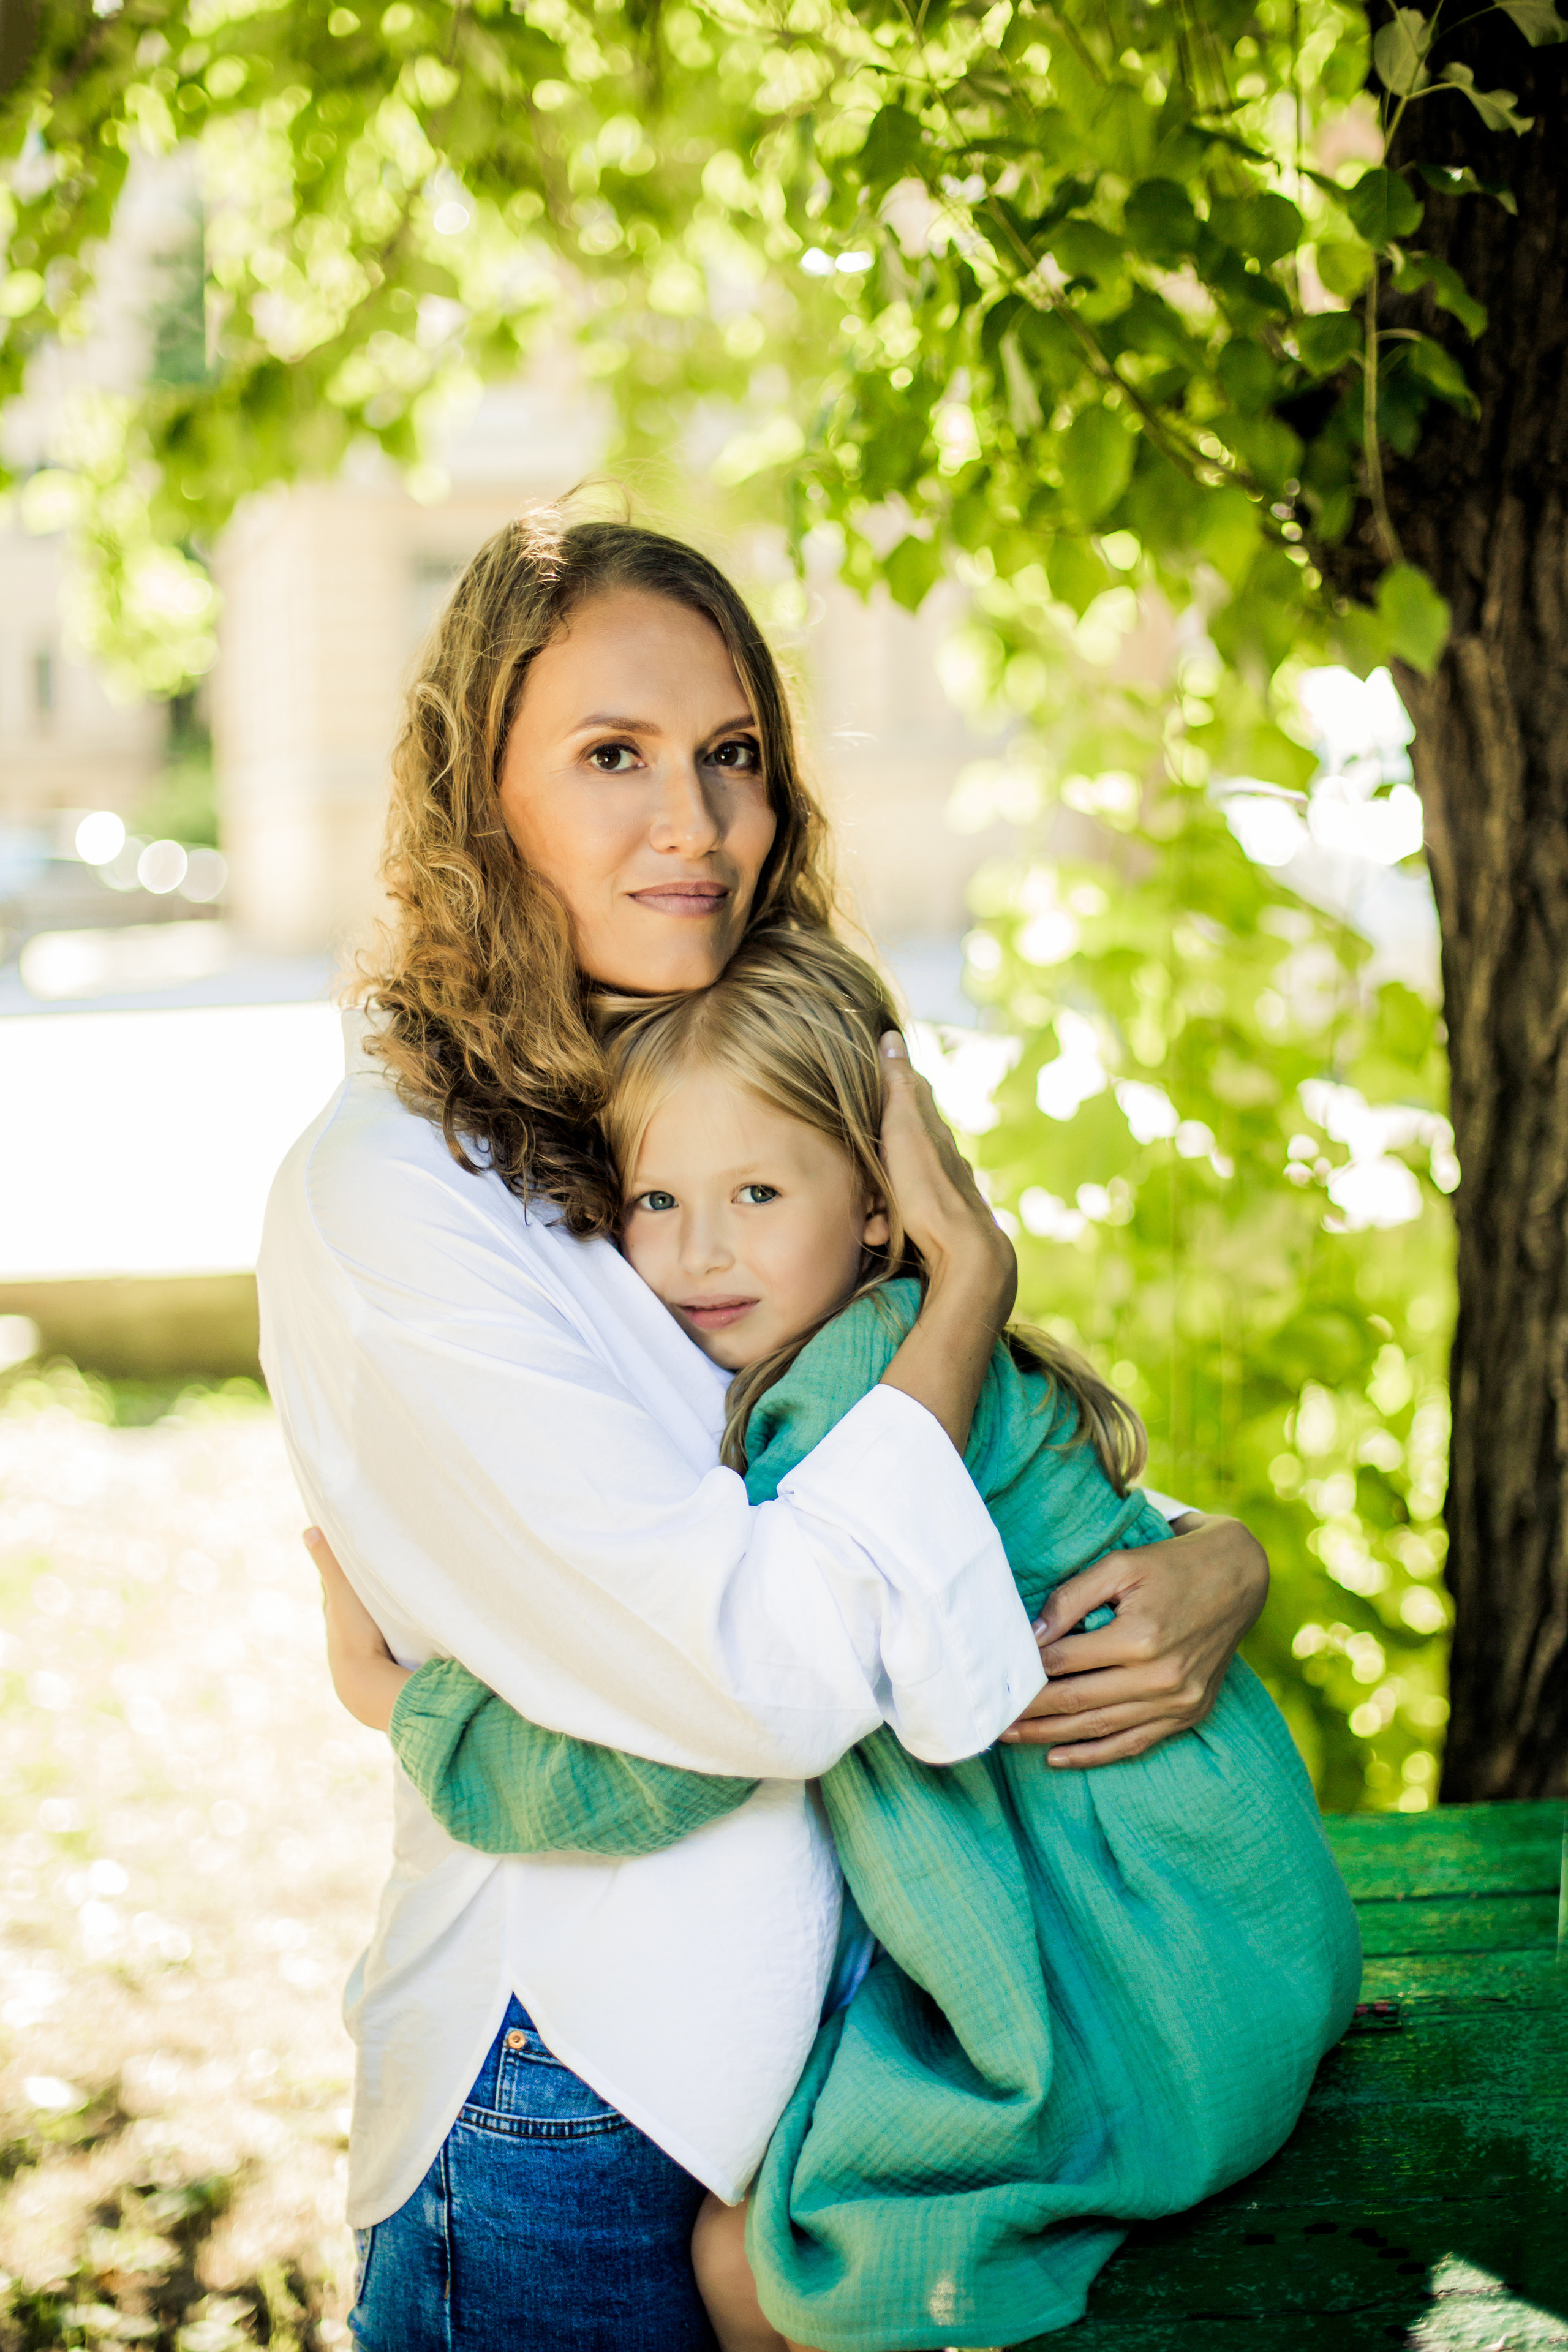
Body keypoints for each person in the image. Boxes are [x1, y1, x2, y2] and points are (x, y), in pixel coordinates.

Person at [261, 509, 1270, 2351]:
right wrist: (968, 1291)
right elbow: (772, 1669)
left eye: (731, 754)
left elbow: (892, 1458)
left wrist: (1197, 1554)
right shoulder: (392, 1196)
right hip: (579, 2088)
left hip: (829, 2080)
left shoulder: (707, 1078)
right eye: (613, 757)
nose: (698, 823)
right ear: (480, 801)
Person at [315, 923, 1361, 2352]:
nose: (697, 1252)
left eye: (756, 1190)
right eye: (654, 1199)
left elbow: (701, 1730)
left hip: (1112, 1947)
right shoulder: (900, 1339)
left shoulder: (838, 1404)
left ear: (877, 1209)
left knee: (767, 2274)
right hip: (1222, 1910)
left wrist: (400, 1705)